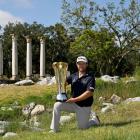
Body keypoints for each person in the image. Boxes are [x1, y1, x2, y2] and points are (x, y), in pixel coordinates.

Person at [49, 56, 100, 133]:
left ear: (86, 65)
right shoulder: (74, 76)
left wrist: (74, 99)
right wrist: (60, 76)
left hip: (84, 106)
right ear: (76, 64)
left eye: (83, 63)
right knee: (57, 105)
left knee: (82, 127)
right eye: (79, 63)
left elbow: (89, 93)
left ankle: (94, 120)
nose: (81, 65)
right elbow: (64, 83)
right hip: (73, 104)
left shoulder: (90, 77)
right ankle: (54, 129)